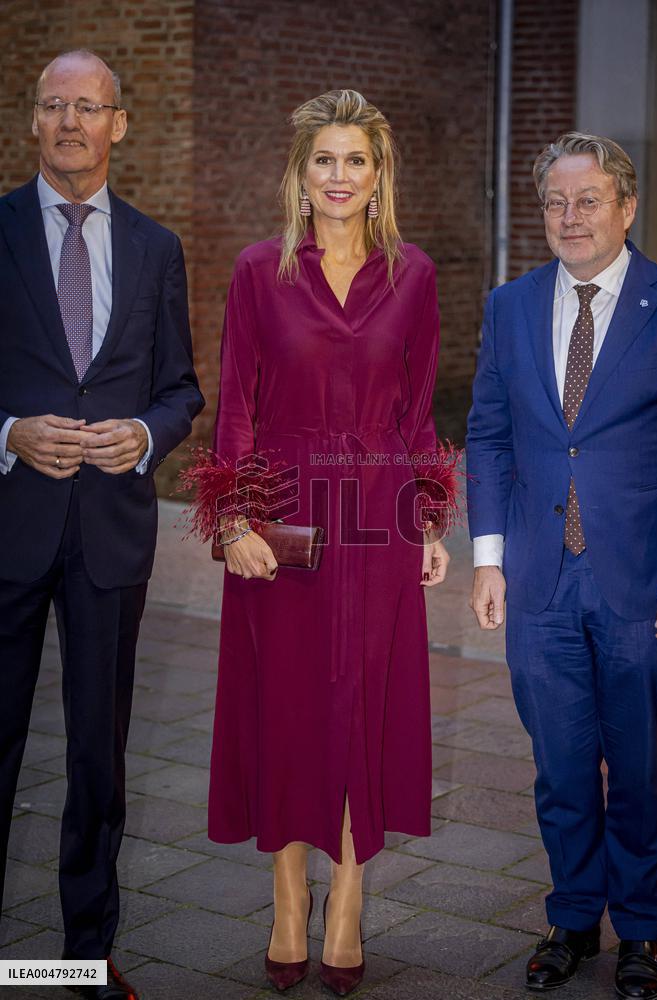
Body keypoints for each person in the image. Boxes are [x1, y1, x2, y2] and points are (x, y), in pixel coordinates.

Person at [191, 90, 458, 995]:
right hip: (286, 517)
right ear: (299, 174)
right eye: (324, 161)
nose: (339, 177)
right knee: (289, 710)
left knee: (364, 711)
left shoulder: (414, 275)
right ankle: (287, 902)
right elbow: (235, 408)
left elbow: (419, 414)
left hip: (377, 517)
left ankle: (344, 901)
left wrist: (427, 518)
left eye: (357, 161)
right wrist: (232, 522)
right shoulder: (258, 270)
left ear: (380, 177)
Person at [0, 50, 203, 999]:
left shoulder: (159, 248)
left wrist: (145, 433)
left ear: (120, 124)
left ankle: (81, 955)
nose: (72, 121)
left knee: (97, 755)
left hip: (111, 535)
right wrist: (7, 429)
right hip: (8, 525)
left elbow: (181, 387)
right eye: (55, 105)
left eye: (90, 106)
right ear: (31, 121)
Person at [466, 132, 657, 1000]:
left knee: (645, 766)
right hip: (540, 579)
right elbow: (490, 434)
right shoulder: (509, 305)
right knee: (560, 764)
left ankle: (645, 932)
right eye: (555, 201)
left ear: (626, 207)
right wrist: (488, 557)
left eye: (588, 200)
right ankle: (575, 919)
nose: (569, 217)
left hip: (639, 581)